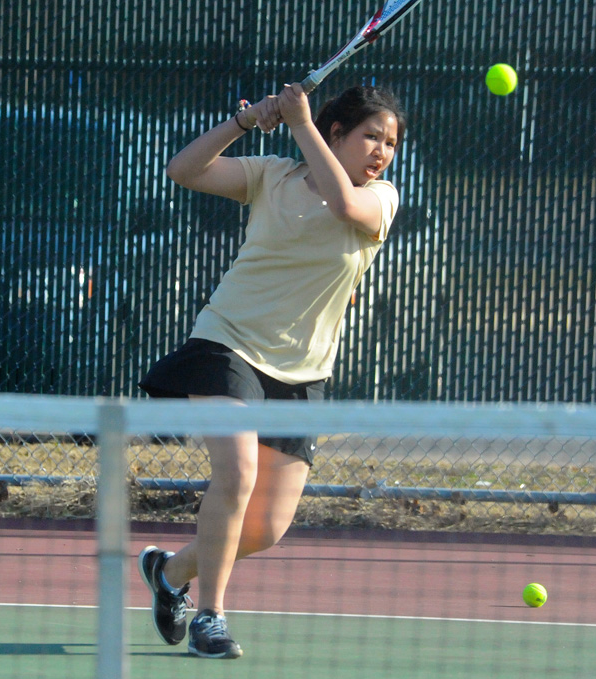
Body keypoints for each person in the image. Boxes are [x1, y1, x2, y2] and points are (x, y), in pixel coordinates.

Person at [137, 82, 407, 659]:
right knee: (235, 475)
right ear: (339, 133)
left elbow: (343, 205)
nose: (382, 150)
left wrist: (299, 123)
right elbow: (183, 170)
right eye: (371, 137)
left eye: (390, 143)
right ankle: (210, 616)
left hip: (301, 374)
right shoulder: (272, 175)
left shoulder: (381, 199)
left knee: (264, 529)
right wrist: (244, 123)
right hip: (227, 344)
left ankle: (168, 574)